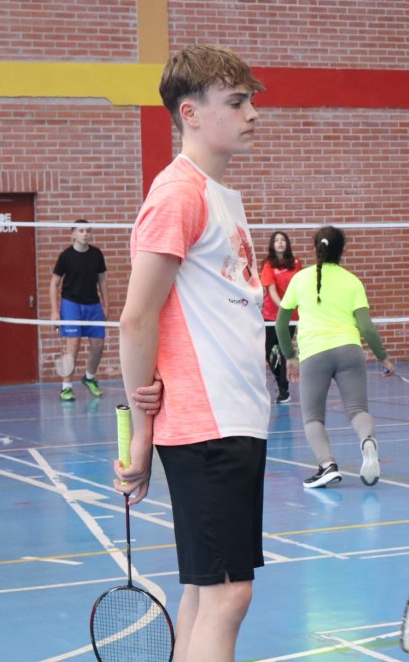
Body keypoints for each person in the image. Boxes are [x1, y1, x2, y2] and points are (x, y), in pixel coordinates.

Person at [114, 44, 270, 662]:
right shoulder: (177, 194)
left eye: (251, 100)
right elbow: (136, 318)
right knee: (230, 597)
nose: (252, 114)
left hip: (235, 416)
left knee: (206, 593)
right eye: (236, 102)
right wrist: (139, 434)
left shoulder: (220, 195)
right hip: (208, 424)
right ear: (190, 113)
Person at [275, 225, 394, 489]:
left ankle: (327, 466)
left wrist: (290, 356)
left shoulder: (300, 278)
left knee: (313, 417)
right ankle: (367, 439)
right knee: (358, 410)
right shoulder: (352, 281)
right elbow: (366, 326)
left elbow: (280, 324)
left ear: (315, 247)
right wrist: (383, 357)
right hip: (349, 350)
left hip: (314, 354)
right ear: (343, 251)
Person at [49, 219, 108, 401]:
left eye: (88, 231)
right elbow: (54, 284)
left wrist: (106, 305)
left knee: (98, 346)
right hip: (71, 304)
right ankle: (66, 388)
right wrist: (54, 311)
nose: (85, 234)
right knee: (73, 346)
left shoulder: (97, 254)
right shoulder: (66, 256)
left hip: (93, 305)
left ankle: (89, 378)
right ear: (73, 234)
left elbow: (102, 281)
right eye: (81, 231)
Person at [261, 231, 302, 404]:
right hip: (272, 315)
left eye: (283, 240)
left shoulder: (295, 263)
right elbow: (271, 291)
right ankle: (280, 380)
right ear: (272, 244)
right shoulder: (268, 265)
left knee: (284, 348)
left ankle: (283, 389)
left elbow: (300, 286)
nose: (280, 243)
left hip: (291, 315)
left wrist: (291, 309)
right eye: (276, 240)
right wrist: (283, 308)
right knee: (270, 350)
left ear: (287, 244)